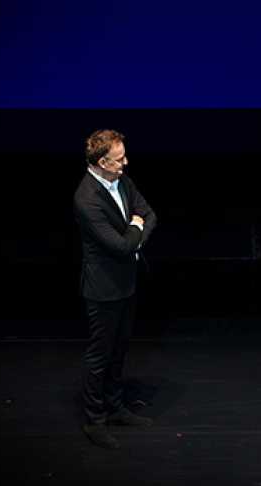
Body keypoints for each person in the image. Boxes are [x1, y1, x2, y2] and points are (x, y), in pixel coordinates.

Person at [74, 129, 158, 448]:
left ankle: (116, 407)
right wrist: (135, 227)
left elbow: (149, 214)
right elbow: (121, 246)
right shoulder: (86, 199)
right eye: (119, 159)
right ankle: (95, 421)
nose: (125, 162)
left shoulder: (123, 180)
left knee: (120, 349)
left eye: (124, 155)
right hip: (102, 288)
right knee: (100, 355)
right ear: (101, 162)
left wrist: (136, 228)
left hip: (126, 283)